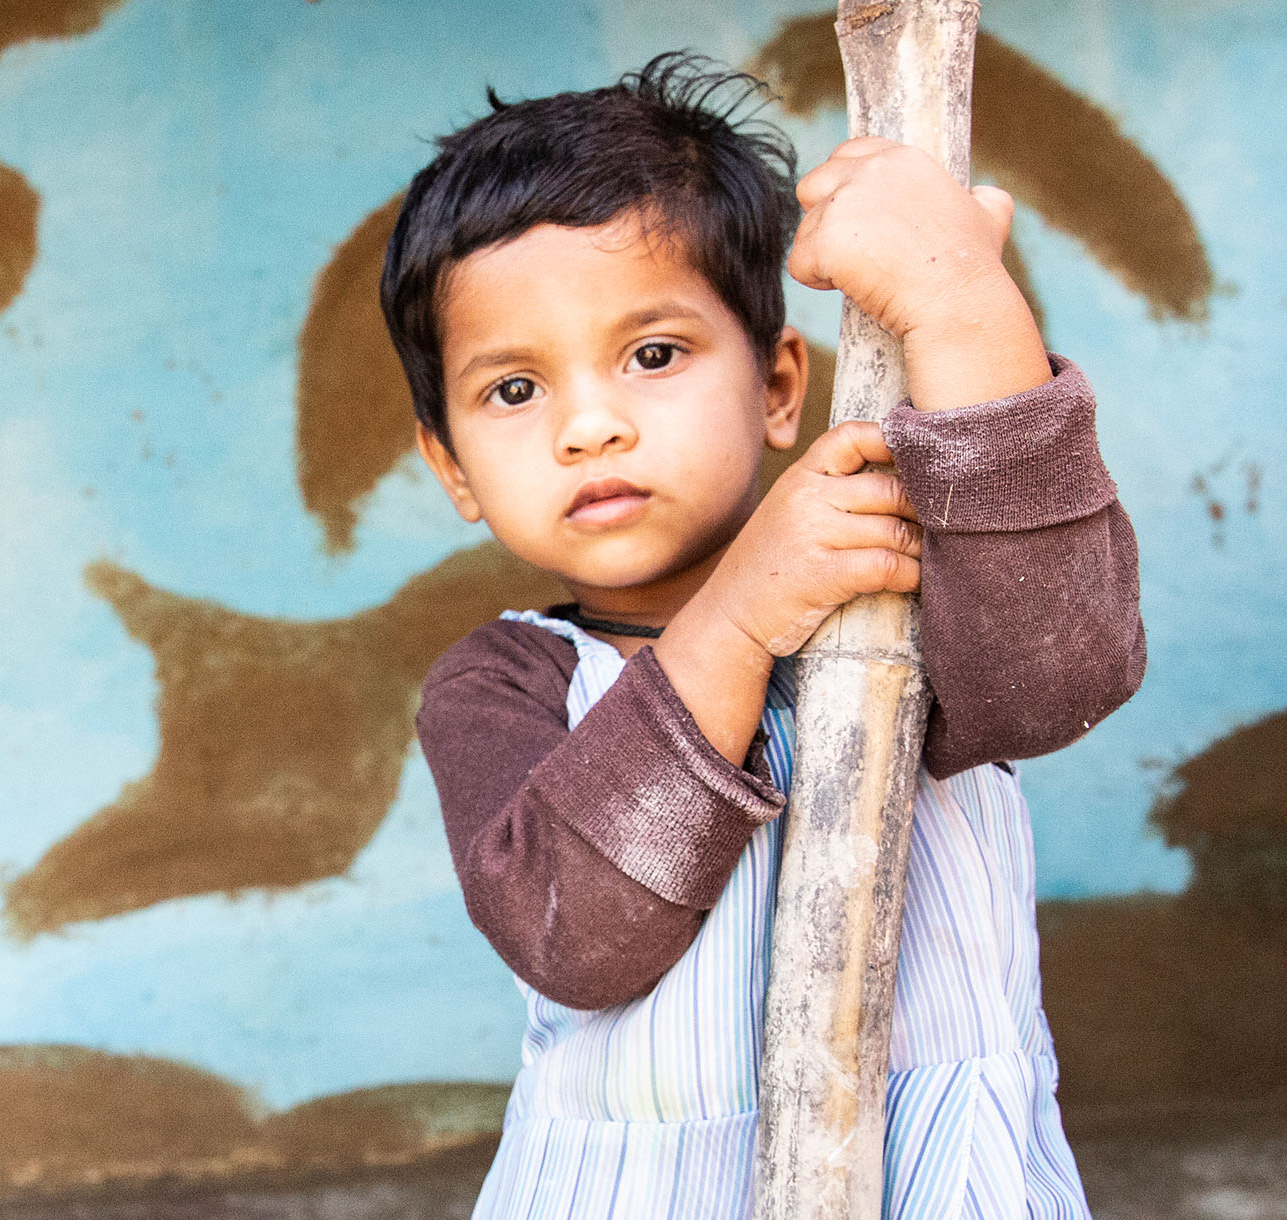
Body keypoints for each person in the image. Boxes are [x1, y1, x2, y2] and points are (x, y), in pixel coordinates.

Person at [396, 55, 1144, 1218]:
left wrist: (959, 303)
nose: (589, 425)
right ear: (450, 465)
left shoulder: (890, 586)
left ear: (779, 385)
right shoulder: (503, 684)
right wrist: (741, 613)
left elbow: (1063, 672)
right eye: (511, 390)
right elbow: (572, 930)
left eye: (653, 354)